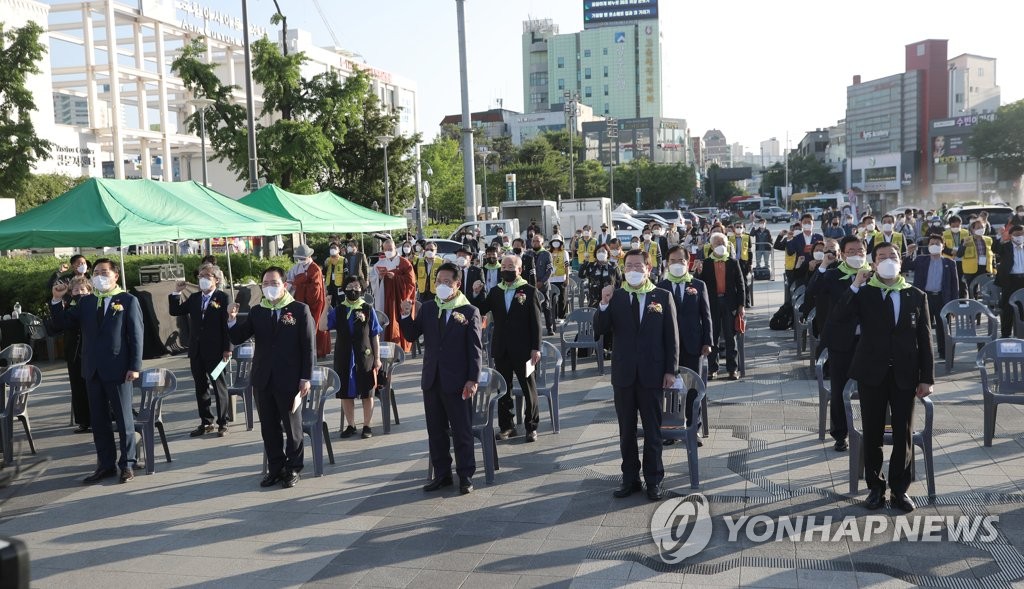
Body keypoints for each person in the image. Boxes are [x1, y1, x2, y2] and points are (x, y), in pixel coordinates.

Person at [834, 242, 934, 512]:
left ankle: (899, 490)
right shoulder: (864, 294)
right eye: (881, 257)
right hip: (871, 372)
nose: (888, 261)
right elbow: (839, 317)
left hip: (905, 375)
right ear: (874, 264)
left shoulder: (915, 295)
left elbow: (925, 339)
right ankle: (875, 488)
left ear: (900, 262)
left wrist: (927, 378)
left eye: (893, 256)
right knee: (873, 433)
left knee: (903, 433)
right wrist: (855, 284)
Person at [594, 249, 679, 501]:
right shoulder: (617, 296)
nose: (633, 270)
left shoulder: (661, 296)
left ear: (648, 269)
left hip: (653, 374)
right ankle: (630, 478)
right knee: (626, 431)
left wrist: (670, 370)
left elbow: (672, 337)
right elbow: (600, 330)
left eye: (638, 266)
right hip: (624, 374)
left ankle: (653, 480)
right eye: (628, 266)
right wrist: (604, 304)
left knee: (653, 431)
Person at [50, 258, 143, 484]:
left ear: (115, 276)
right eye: (97, 272)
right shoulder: (86, 302)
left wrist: (135, 367)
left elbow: (136, 336)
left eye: (104, 272)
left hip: (119, 369)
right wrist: (56, 299)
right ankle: (105, 464)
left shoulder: (127, 300)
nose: (100, 275)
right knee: (99, 421)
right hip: (92, 369)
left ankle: (128, 463)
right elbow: (63, 322)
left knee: (124, 420)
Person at [227, 267, 316, 488]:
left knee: (292, 427)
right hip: (262, 378)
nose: (269, 287)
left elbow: (308, 347)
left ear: (284, 284)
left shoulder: (299, 310)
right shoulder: (258, 311)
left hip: (290, 378)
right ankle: (276, 467)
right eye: (265, 283)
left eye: (273, 282)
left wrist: (306, 377)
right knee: (269, 427)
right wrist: (231, 320)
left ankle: (293, 468)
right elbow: (239, 336)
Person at [399, 263, 482, 495]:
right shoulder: (427, 308)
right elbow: (412, 334)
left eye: (447, 282)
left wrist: (472, 379)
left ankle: (465, 474)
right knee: (436, 431)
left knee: (461, 429)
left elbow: (476, 349)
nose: (442, 286)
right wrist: (406, 314)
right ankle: (442, 474)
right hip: (432, 379)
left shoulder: (468, 311)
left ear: (457, 284)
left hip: (457, 380)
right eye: (439, 281)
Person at [469, 255, 543, 442]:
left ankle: (531, 426)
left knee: (528, 387)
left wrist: (536, 347)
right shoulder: (495, 291)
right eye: (504, 266)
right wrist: (476, 293)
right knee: (503, 388)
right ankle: (506, 426)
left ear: (519, 270)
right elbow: (481, 309)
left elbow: (536, 323)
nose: (506, 269)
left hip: (524, 349)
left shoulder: (529, 291)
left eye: (511, 266)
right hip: (502, 348)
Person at [169, 263, 233, 438]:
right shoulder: (195, 298)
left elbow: (226, 325)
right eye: (200, 276)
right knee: (200, 386)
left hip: (217, 350)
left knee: (218, 385)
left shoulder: (222, 297)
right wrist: (177, 292)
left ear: (216, 279)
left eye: (207, 276)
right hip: (196, 350)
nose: (203, 279)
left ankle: (223, 422)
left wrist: (227, 348)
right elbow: (175, 310)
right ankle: (206, 421)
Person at [816, 236, 868, 451]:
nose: (857, 255)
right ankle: (840, 433)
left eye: (860, 251)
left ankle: (874, 431)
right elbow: (814, 292)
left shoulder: (875, 276)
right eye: (851, 251)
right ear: (843, 254)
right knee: (839, 390)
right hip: (841, 342)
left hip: (868, 342)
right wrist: (823, 266)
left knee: (873, 389)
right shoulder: (833, 276)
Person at [658, 246, 712, 433]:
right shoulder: (660, 287)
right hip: (668, 347)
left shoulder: (697, 285)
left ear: (687, 262)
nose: (676, 264)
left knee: (692, 388)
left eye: (680, 260)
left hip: (693, 344)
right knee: (671, 388)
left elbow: (706, 316)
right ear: (667, 264)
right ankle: (671, 426)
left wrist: (708, 342)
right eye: (672, 261)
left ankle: (693, 427)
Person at [330, 276, 383, 439]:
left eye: (357, 286)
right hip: (344, 355)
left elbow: (375, 335)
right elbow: (324, 326)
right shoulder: (339, 309)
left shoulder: (367, 309)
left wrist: (377, 358)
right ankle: (351, 425)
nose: (353, 289)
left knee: (367, 392)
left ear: (362, 289)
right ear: (344, 289)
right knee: (345, 392)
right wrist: (326, 304)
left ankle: (367, 425)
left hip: (364, 355)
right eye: (350, 286)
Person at [698, 232, 745, 381]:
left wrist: (741, 305)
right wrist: (697, 273)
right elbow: (700, 285)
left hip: (729, 302)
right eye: (717, 243)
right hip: (712, 303)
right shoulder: (705, 263)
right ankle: (713, 369)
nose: (721, 246)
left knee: (731, 337)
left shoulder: (732, 262)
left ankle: (733, 369)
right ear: (711, 246)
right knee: (713, 337)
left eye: (723, 243)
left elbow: (741, 285)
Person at [52, 276, 93, 433]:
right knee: (78, 388)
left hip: (93, 353)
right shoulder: (69, 306)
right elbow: (58, 324)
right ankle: (83, 420)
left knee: (94, 387)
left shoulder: (96, 304)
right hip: (75, 354)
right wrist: (57, 300)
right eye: (76, 290)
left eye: (83, 289)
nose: (80, 292)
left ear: (89, 290)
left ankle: (101, 417)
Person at [912, 235, 959, 358]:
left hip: (941, 298)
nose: (934, 246)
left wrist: (953, 304)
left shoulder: (949, 263)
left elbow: (954, 285)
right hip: (924, 297)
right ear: (928, 246)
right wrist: (909, 253)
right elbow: (905, 267)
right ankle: (924, 352)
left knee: (943, 326)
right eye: (932, 243)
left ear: (943, 246)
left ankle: (944, 353)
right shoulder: (921, 260)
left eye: (938, 243)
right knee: (923, 326)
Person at [370, 238, 417, 352]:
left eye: (390, 249)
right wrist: (380, 277)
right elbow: (373, 279)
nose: (388, 251)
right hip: (385, 296)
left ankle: (399, 346)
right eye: (386, 249)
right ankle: (386, 346)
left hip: (400, 297)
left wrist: (396, 277)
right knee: (386, 318)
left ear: (395, 248)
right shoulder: (380, 263)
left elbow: (411, 282)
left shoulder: (404, 262)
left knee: (398, 319)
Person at [288, 244, 329, 358]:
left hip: (314, 303)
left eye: (302, 258)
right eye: (299, 258)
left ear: (309, 257)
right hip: (300, 300)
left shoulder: (315, 268)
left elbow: (316, 288)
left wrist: (300, 284)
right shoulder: (296, 268)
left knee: (315, 326)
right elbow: (290, 280)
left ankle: (316, 351)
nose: (300, 260)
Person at [996, 225, 1024, 338]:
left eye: (1022, 234)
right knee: (1007, 308)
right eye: (1017, 235)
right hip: (1010, 281)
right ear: (1011, 236)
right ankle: (1006, 335)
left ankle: (1021, 335)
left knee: (1022, 308)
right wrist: (1000, 237)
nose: (1020, 237)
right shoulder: (1006, 247)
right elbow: (995, 248)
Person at [525, 234, 554, 335]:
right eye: (533, 241)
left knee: (546, 306)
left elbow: (550, 270)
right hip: (531, 285)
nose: (535, 243)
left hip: (543, 285)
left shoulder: (547, 254)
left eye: (537, 241)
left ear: (542, 243)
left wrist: (542, 282)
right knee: (531, 308)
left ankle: (549, 327)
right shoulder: (528, 254)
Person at [942, 215, 970, 297]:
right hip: (949, 260)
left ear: (961, 224)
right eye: (953, 226)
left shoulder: (966, 233)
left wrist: (960, 251)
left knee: (962, 282)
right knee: (950, 281)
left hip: (963, 260)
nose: (955, 227)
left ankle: (963, 300)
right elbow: (943, 247)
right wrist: (951, 251)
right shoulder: (944, 234)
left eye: (957, 226)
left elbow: (968, 245)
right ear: (950, 225)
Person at [961, 218, 994, 289]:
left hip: (985, 268)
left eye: (982, 227)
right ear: (972, 230)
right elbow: (959, 254)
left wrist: (993, 268)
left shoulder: (989, 239)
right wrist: (963, 245)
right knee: (972, 290)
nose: (981, 229)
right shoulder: (966, 240)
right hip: (971, 270)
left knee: (986, 290)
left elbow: (991, 254)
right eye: (978, 227)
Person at [548, 237, 571, 322]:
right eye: (554, 241)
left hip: (561, 278)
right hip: (551, 279)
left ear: (561, 243)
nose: (556, 243)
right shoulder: (548, 252)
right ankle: (554, 316)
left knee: (562, 298)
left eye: (557, 241)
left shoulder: (564, 252)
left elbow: (567, 266)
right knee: (552, 299)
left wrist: (567, 278)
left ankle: (561, 316)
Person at [323, 242, 347, 308]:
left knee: (341, 303)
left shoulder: (343, 260)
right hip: (330, 285)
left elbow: (346, 274)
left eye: (334, 248)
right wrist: (325, 266)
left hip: (340, 285)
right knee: (330, 303)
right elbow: (323, 273)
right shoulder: (327, 260)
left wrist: (344, 285)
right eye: (331, 248)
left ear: (339, 250)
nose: (332, 249)